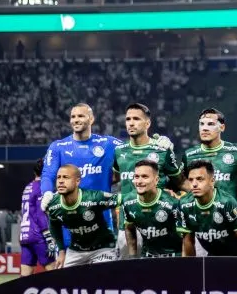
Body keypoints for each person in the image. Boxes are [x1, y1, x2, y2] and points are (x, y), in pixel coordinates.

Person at [40, 104, 126, 241]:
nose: (76, 120)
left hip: (101, 223)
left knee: (104, 261)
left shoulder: (107, 144)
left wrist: (157, 144)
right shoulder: (58, 147)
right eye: (73, 117)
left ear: (91, 119)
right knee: (69, 261)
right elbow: (48, 174)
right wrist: (47, 192)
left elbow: (134, 151)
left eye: (80, 116)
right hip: (69, 225)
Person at [112, 103, 182, 256]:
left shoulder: (162, 150)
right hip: (128, 223)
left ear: (147, 123)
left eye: (136, 119)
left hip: (160, 222)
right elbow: (114, 178)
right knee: (129, 273)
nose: (131, 122)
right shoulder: (119, 151)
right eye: (128, 119)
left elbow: (180, 182)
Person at [180, 108, 237, 207]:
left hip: (230, 218)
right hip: (200, 217)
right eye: (201, 124)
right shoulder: (189, 155)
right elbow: (179, 182)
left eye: (210, 124)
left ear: (222, 127)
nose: (204, 128)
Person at [43, 165, 118, 267]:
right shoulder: (53, 204)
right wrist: (61, 251)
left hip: (103, 248)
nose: (60, 181)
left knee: (100, 279)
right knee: (63, 280)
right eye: (58, 177)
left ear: (77, 181)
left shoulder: (93, 198)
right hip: (76, 251)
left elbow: (123, 200)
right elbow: (54, 227)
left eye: (65, 177)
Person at [178, 160, 237, 257]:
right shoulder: (184, 204)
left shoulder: (226, 202)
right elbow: (188, 240)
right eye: (191, 180)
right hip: (214, 255)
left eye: (199, 179)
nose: (194, 184)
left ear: (212, 181)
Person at [123, 159, 183, 258]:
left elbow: (186, 237)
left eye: (145, 177)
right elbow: (129, 229)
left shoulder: (173, 203)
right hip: (147, 257)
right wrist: (132, 257)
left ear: (156, 180)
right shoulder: (127, 201)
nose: (139, 181)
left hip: (174, 257)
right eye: (137, 177)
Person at [19, 158, 55, 276]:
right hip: (38, 235)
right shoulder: (41, 188)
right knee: (54, 271)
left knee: (25, 275)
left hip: (25, 235)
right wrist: (49, 237)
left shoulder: (27, 187)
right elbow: (40, 214)